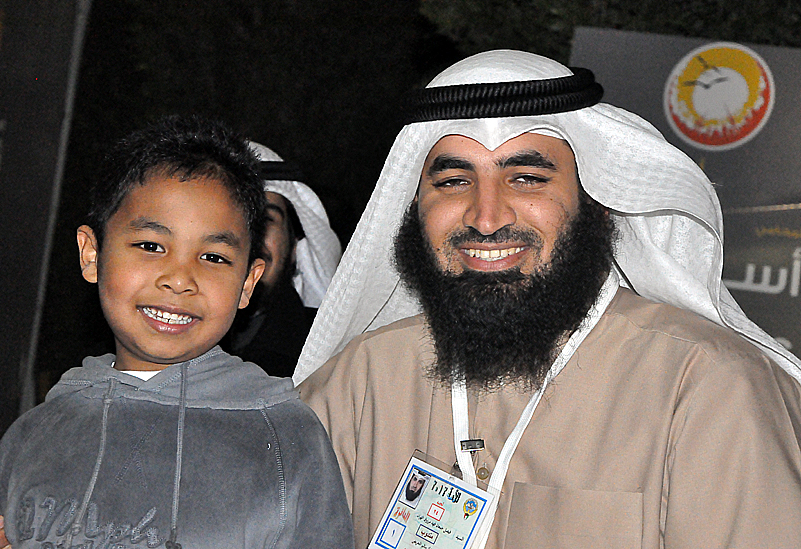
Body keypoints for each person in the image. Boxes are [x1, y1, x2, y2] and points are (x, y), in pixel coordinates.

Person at [296, 50, 801, 548]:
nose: (486, 217)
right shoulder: (358, 381)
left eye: (527, 178)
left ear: (599, 203)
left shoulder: (707, 386)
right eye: (453, 182)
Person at [0, 116, 353, 549]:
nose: (179, 278)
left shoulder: (285, 438)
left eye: (213, 257)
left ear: (248, 283)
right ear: (91, 254)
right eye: (151, 246)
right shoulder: (34, 435)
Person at [223, 142, 341, 377]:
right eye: (232, 217)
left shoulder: (329, 361)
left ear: (295, 245)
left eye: (265, 219)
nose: (248, 236)